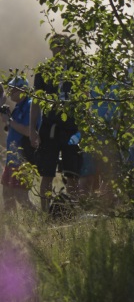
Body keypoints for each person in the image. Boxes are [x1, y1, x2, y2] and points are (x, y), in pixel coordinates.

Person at [29, 33, 80, 214]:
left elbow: (85, 98)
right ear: (52, 49)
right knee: (47, 173)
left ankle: (72, 212)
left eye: (64, 47)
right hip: (49, 128)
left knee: (72, 174)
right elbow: (36, 102)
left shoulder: (76, 69)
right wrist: (32, 130)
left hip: (71, 129)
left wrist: (83, 129)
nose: (61, 51)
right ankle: (45, 213)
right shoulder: (43, 70)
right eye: (57, 47)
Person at [3, 78, 35, 211]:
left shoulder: (30, 105)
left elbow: (29, 131)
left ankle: (37, 222)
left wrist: (9, 121)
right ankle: (13, 227)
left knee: (21, 196)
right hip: (12, 159)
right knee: (7, 194)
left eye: (14, 90)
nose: (10, 93)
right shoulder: (17, 107)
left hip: (23, 159)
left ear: (23, 90)